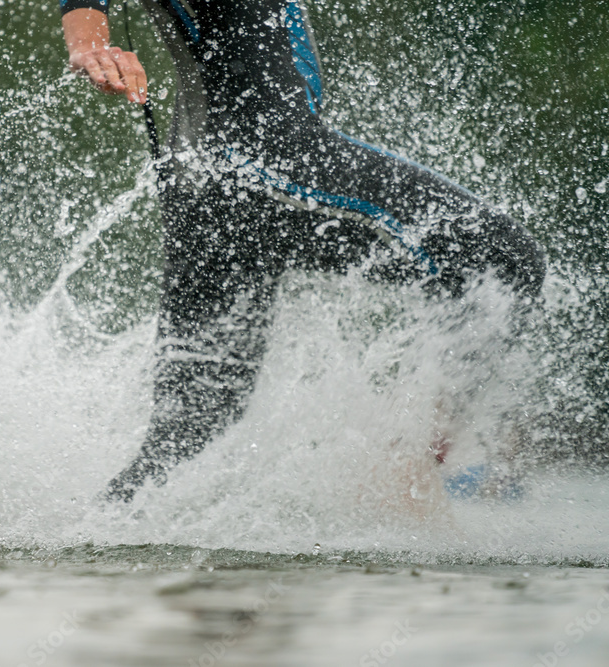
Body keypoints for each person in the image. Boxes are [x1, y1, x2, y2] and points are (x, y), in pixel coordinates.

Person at [59, 0, 545, 502]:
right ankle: (409, 476)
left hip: (210, 189)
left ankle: (88, 538)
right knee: (504, 260)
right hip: (271, 170)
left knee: (190, 432)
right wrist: (89, 43)